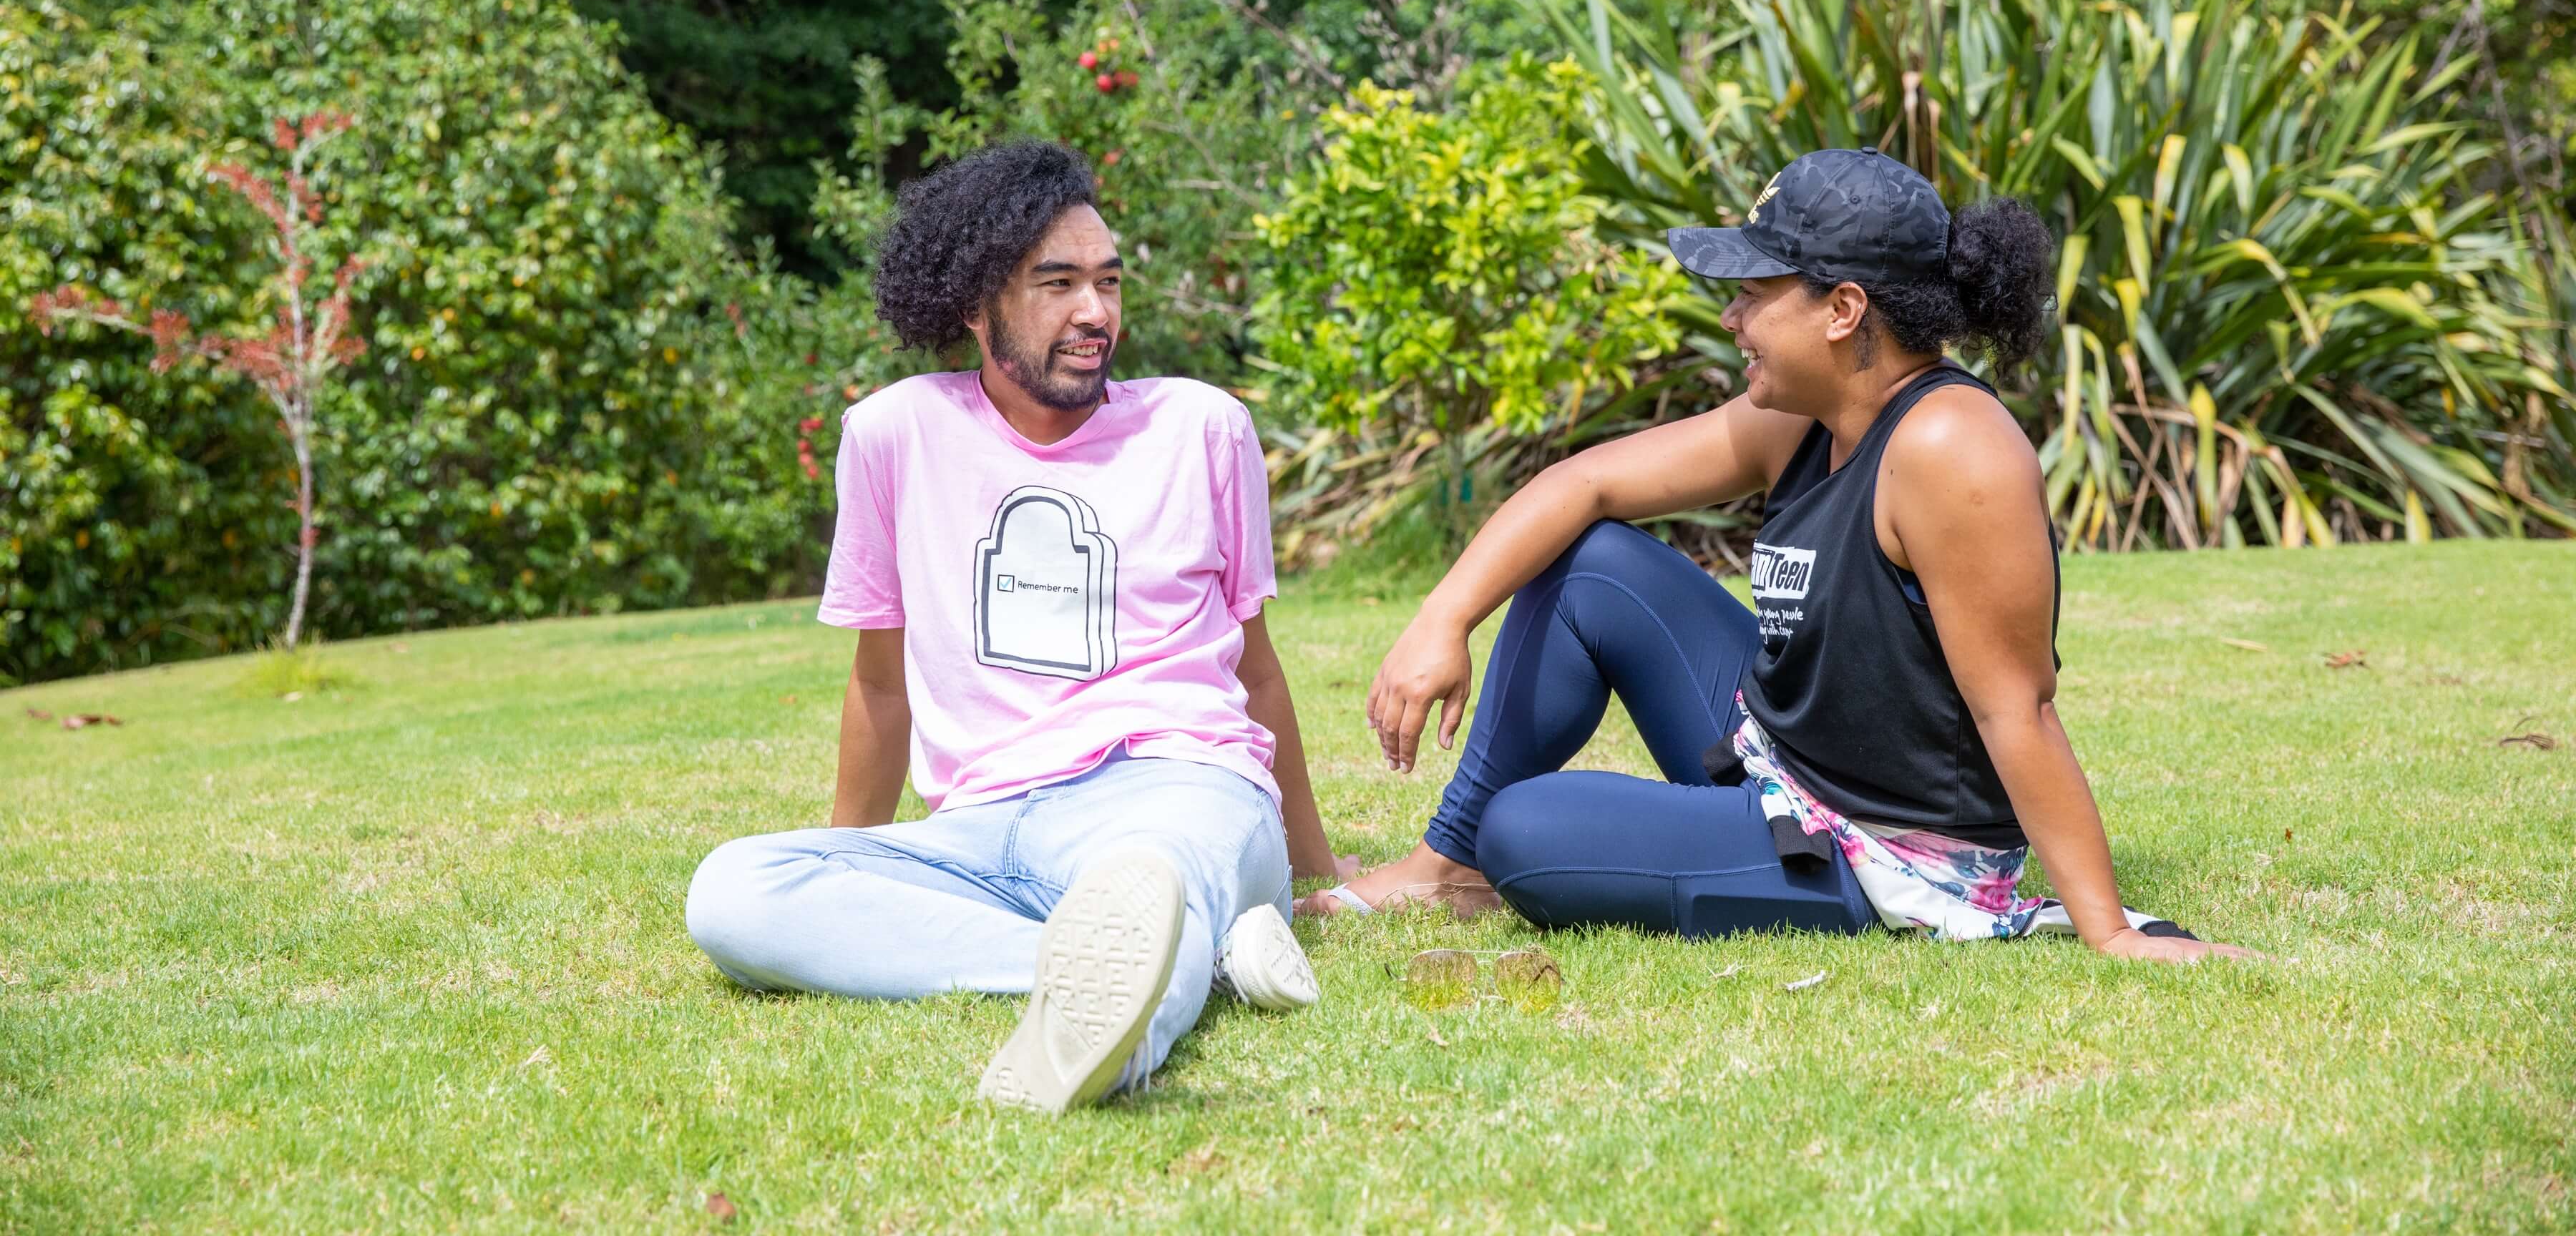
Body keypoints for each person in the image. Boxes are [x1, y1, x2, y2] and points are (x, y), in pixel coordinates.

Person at [1307, 147, 2248, 961]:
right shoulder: (1801, 417)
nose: (1732, 321)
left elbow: (2019, 708)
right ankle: (1444, 867)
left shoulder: (1951, 450)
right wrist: (1444, 617)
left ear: (1842, 309)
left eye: (1753, 295)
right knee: (1593, 562)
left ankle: (1492, 853)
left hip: (1881, 848)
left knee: (1529, 832)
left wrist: (2110, 929)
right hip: (1783, 760)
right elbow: (1585, 484)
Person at [686, 142, 1351, 1114]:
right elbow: (880, 681)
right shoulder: (893, 436)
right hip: (986, 826)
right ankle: (1191, 962)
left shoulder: (1201, 428)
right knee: (734, 892)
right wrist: (855, 863)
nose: (1097, 312)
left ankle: (1105, 1037)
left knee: (1158, 870)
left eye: (1109, 282)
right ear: (974, 303)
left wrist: (1310, 868)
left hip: (1175, 786)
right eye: (1060, 284)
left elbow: (1255, 667)